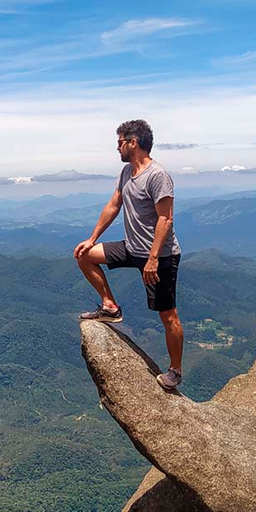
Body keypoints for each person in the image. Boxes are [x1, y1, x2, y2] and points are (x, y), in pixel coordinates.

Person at [73, 118, 184, 391]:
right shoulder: (126, 174)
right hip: (131, 247)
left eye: (120, 142)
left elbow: (165, 219)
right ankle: (110, 306)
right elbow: (113, 205)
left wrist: (154, 258)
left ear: (133, 143)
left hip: (160, 256)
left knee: (168, 316)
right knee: (84, 256)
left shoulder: (157, 175)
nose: (117, 148)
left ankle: (175, 371)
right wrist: (92, 239)